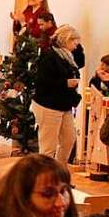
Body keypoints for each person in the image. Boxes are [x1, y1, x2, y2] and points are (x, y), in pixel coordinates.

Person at [31, 24, 82, 164]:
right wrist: (65, 83)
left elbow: (81, 61)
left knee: (69, 139)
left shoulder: (69, 57)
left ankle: (59, 172)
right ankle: (45, 179)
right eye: (74, 41)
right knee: (48, 147)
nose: (77, 44)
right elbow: (43, 81)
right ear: (66, 40)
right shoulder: (49, 56)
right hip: (48, 105)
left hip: (64, 105)